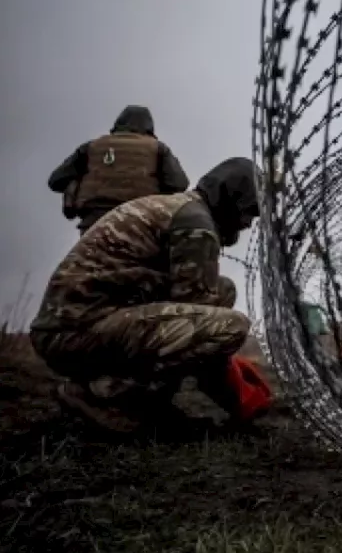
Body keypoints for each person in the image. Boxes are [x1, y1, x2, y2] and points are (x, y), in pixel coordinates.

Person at [29, 157, 261, 433]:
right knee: (232, 325)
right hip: (75, 333)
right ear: (230, 199)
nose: (247, 223)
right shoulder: (196, 225)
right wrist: (237, 395)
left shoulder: (181, 208)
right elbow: (199, 320)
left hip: (76, 325)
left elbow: (194, 306)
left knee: (222, 291)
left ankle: (144, 400)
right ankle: (109, 398)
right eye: (248, 211)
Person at [48, 105, 189, 235]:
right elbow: (179, 184)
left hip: (94, 224)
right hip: (139, 223)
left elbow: (56, 180)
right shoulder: (157, 148)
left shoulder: (92, 147)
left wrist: (80, 183)